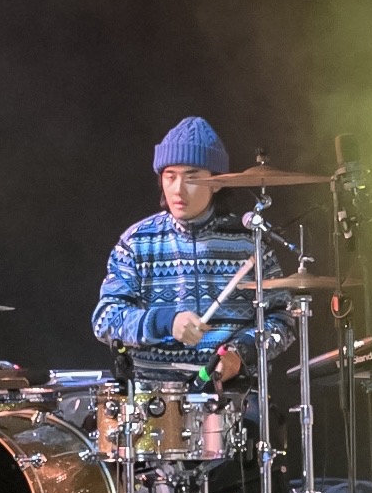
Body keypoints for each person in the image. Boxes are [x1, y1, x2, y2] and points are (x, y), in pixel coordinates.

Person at [87, 114, 253, 387]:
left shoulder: (249, 243)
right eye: (170, 176)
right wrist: (164, 322)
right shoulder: (137, 242)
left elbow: (280, 317)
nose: (178, 189)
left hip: (231, 392)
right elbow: (105, 319)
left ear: (217, 182)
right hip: (154, 394)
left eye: (192, 177)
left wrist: (240, 353)